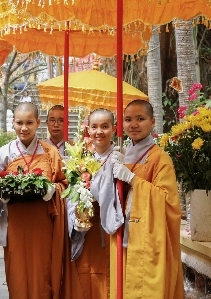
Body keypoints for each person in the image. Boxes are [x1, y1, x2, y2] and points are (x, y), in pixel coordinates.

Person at [0, 102, 68, 299]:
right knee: (18, 274)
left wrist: (53, 189)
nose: (24, 128)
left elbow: (65, 185)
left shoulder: (51, 153)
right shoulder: (4, 153)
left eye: (29, 122)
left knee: (43, 273)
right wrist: (1, 193)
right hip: (15, 224)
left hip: (43, 225)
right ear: (13, 123)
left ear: (38, 123)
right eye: (19, 122)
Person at [109, 100, 183, 298]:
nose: (133, 124)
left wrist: (132, 179)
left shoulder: (160, 158)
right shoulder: (122, 156)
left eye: (140, 119)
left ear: (152, 122)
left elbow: (167, 202)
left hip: (147, 239)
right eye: (128, 119)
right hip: (122, 235)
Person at [63, 108, 117, 299]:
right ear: (88, 130)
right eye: (94, 127)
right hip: (87, 232)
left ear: (114, 129)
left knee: (110, 282)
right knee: (85, 282)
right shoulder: (82, 161)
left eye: (105, 126)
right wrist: (75, 217)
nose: (99, 132)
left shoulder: (119, 159)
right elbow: (70, 198)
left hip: (111, 230)